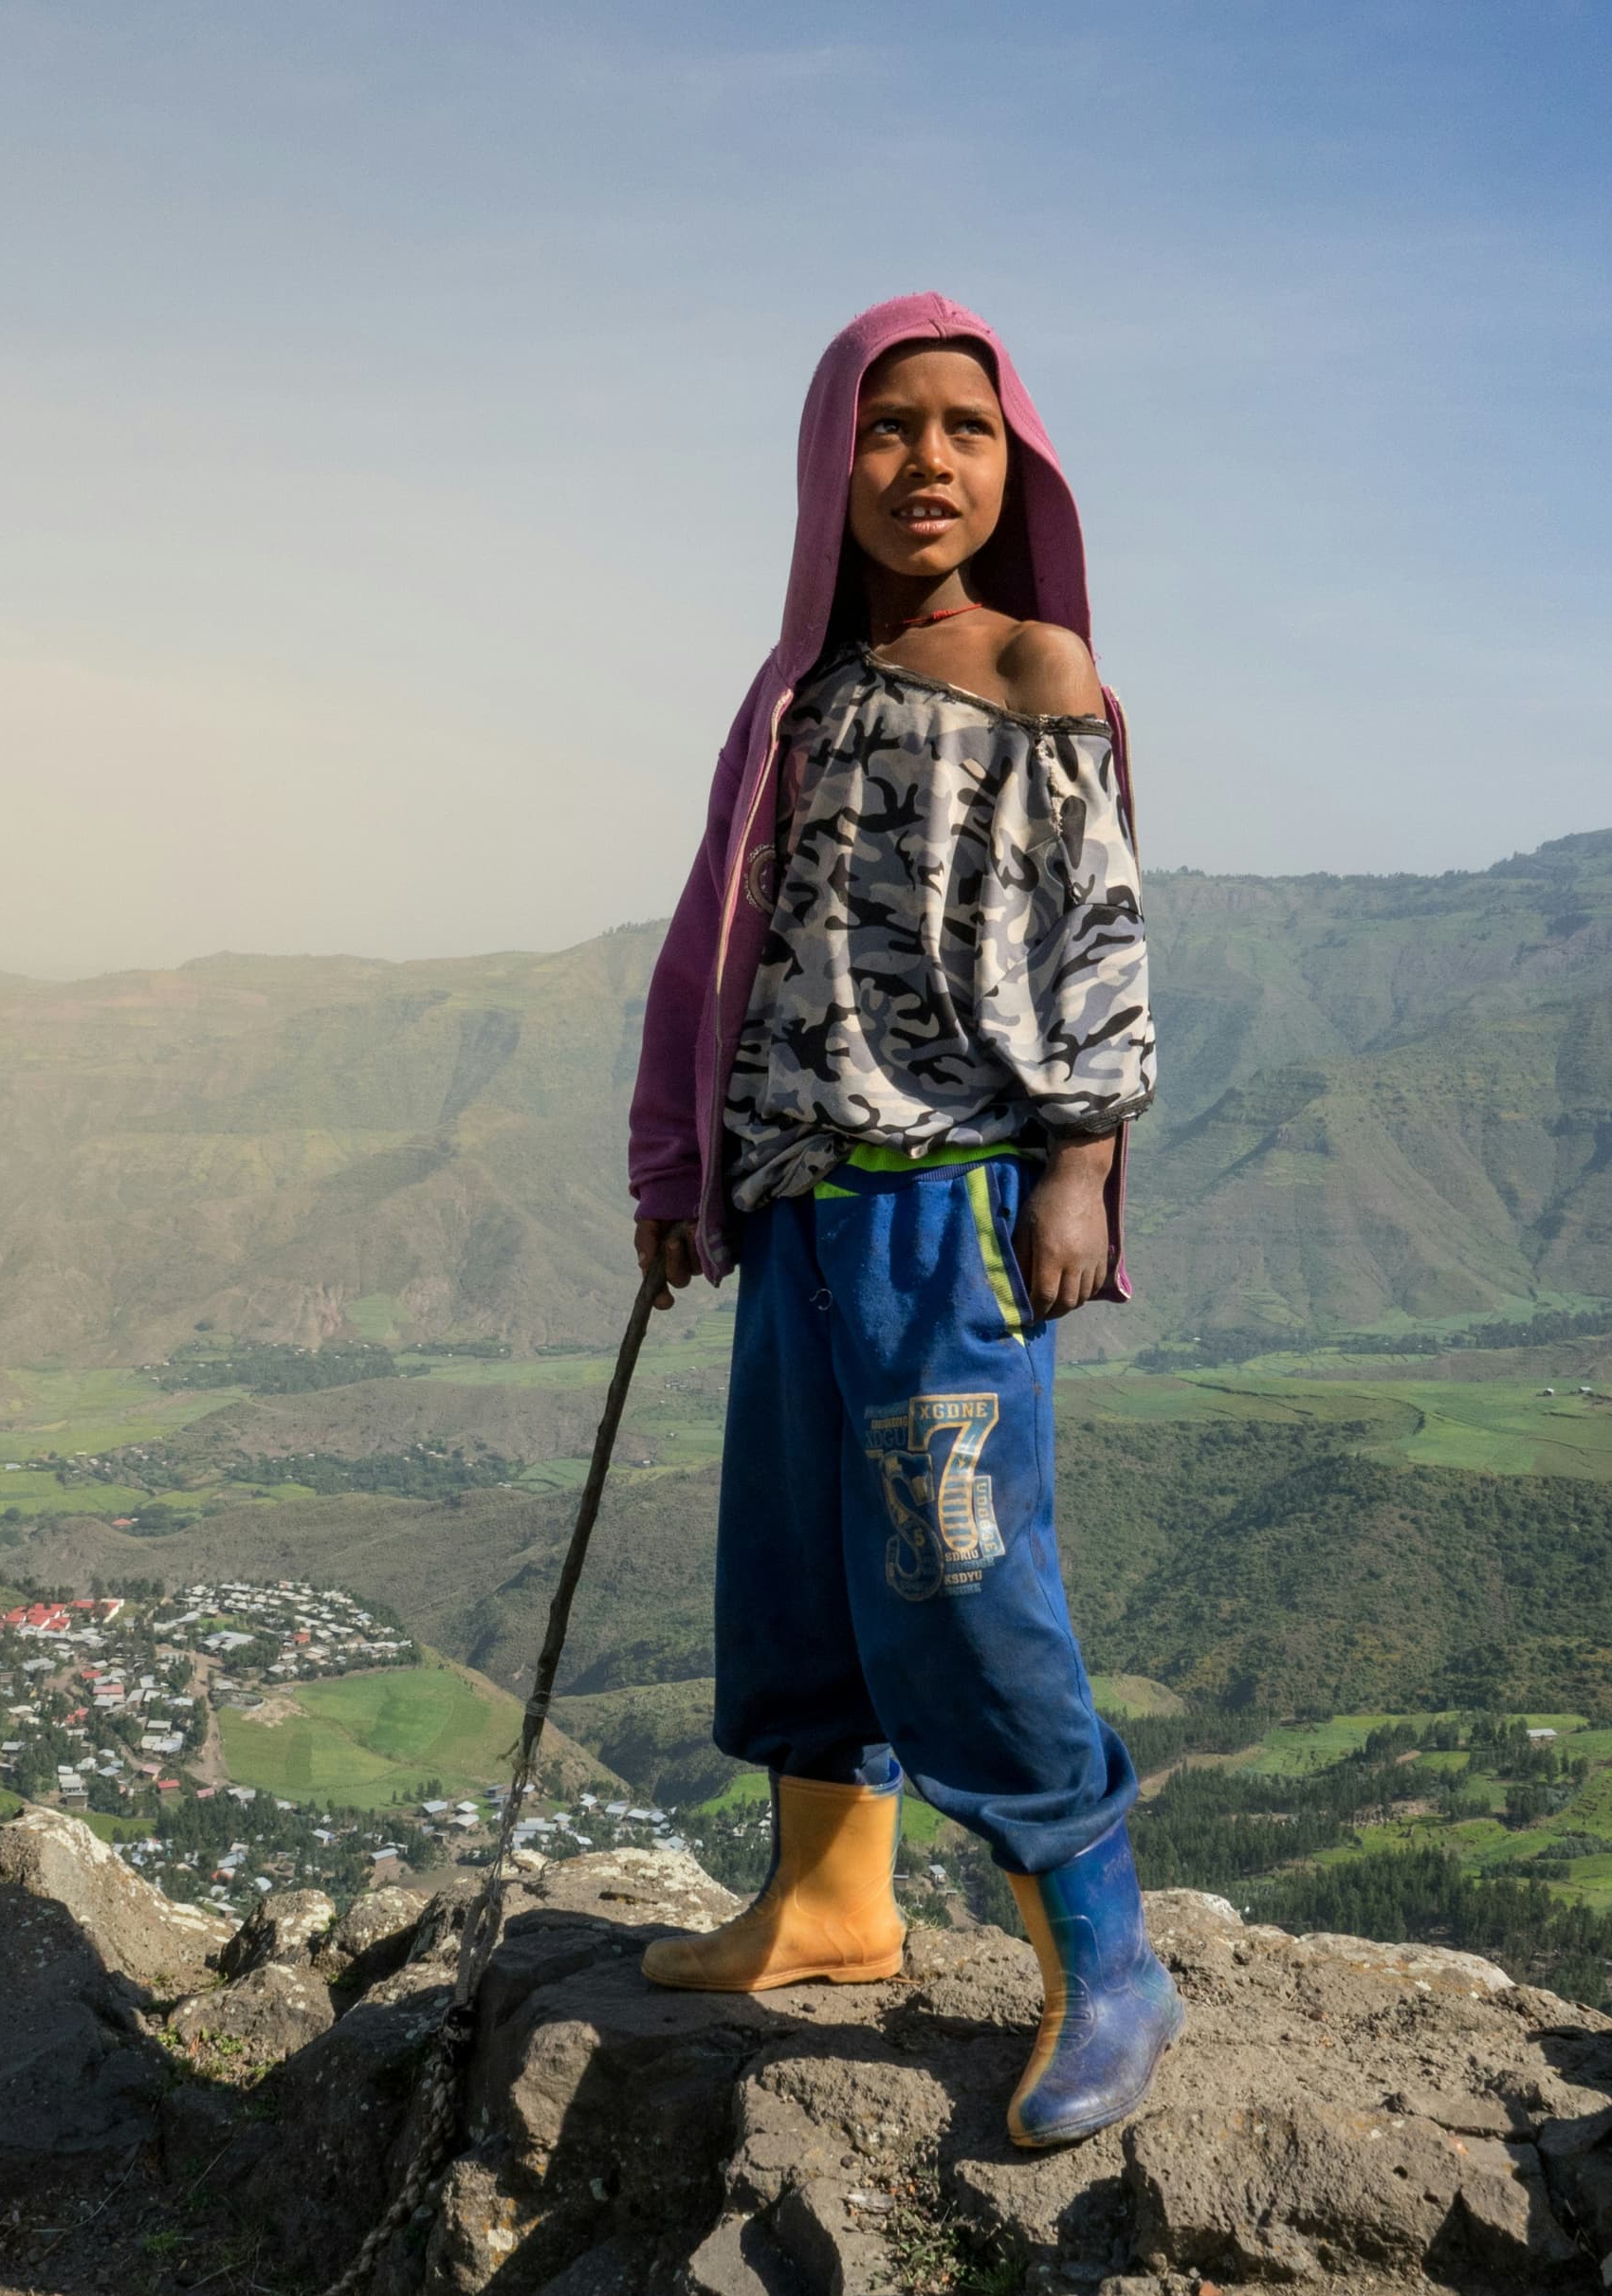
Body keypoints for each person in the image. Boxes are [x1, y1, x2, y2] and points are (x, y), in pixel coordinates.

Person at [624, 293, 1181, 2150]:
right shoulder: (791, 700)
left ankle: (1105, 1955)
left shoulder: (1042, 676)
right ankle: (829, 1899)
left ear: (1014, 458)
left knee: (961, 1569)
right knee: (794, 1562)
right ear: (825, 465)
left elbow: (1095, 954)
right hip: (794, 1207)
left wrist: (1082, 1177)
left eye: (963, 425)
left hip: (949, 1215)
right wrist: (674, 1172)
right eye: (885, 426)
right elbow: (710, 950)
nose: (925, 459)